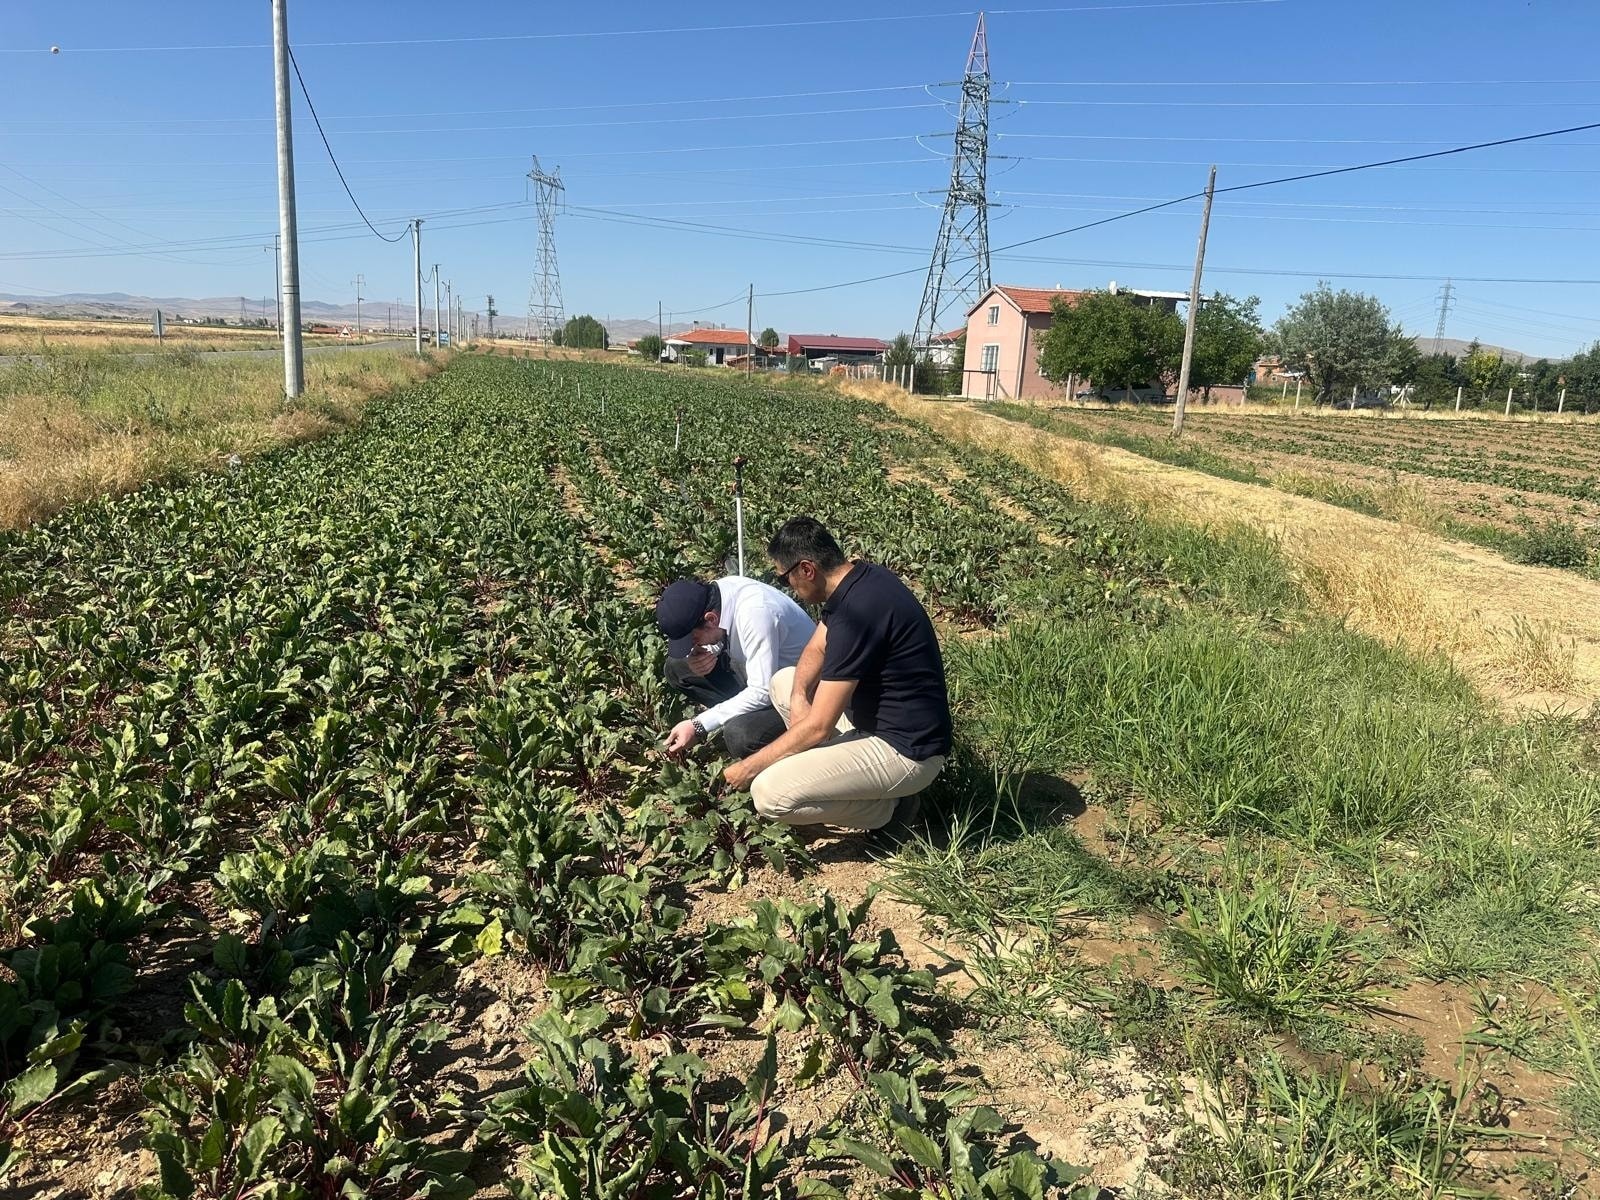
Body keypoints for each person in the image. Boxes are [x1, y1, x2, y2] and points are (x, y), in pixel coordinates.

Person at [721, 517, 952, 842]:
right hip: (875, 722)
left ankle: (891, 810)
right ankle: (837, 773)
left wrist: (748, 767)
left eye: (786, 579)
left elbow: (818, 726)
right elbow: (816, 647)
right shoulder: (859, 579)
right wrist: (800, 695)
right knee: (785, 681)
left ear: (807, 569)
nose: (791, 590)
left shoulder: (857, 616)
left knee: (768, 793)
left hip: (907, 752)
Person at [655, 575, 815, 760]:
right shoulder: (720, 595)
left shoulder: (756, 613)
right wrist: (706, 655)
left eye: (694, 639)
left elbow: (762, 691)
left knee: (739, 735)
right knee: (676, 668)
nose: (693, 646)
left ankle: (788, 752)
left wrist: (699, 725)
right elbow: (722, 634)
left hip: (800, 693)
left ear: (710, 618)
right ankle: (736, 715)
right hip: (758, 672)